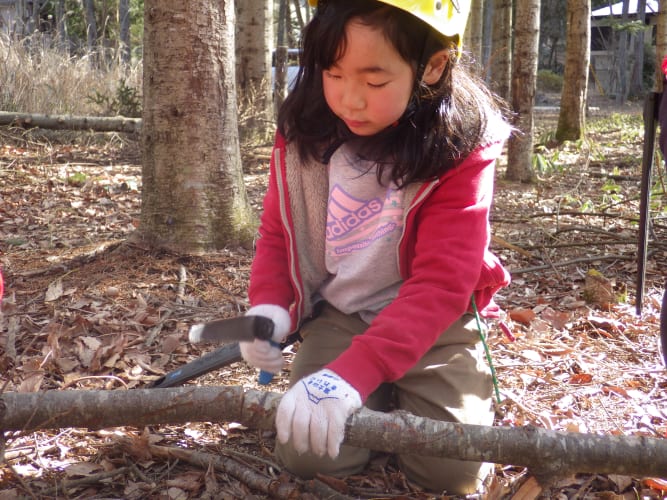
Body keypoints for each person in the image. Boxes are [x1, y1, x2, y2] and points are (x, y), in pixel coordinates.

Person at [238, 0, 511, 494]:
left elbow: (442, 284)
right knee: (306, 451)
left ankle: (386, 386)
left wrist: (353, 376)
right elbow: (280, 232)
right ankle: (377, 392)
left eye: (375, 80)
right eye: (333, 72)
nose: (349, 99)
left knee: (451, 472)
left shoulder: (461, 147)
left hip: (436, 326)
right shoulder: (304, 132)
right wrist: (270, 309)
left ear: (433, 65)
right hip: (345, 311)